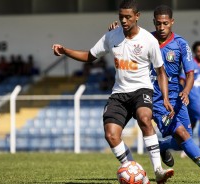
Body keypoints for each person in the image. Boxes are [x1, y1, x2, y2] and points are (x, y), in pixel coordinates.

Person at [52, 1, 174, 183]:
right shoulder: (111, 36)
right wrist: (65, 51)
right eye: (121, 17)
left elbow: (160, 72)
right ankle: (136, 173)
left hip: (142, 89)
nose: (124, 20)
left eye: (128, 17)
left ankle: (158, 170)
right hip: (119, 93)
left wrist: (165, 97)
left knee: (144, 118)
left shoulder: (149, 40)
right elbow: (90, 56)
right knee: (111, 135)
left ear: (137, 16)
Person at [109, 5, 200, 183]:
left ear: (172, 22)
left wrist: (185, 91)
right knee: (182, 135)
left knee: (184, 139)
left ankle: (161, 146)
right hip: (155, 100)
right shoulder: (145, 39)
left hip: (177, 99)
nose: (161, 27)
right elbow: (124, 39)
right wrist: (115, 31)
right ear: (154, 22)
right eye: (158, 23)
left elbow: (190, 73)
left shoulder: (181, 44)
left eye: (165, 23)